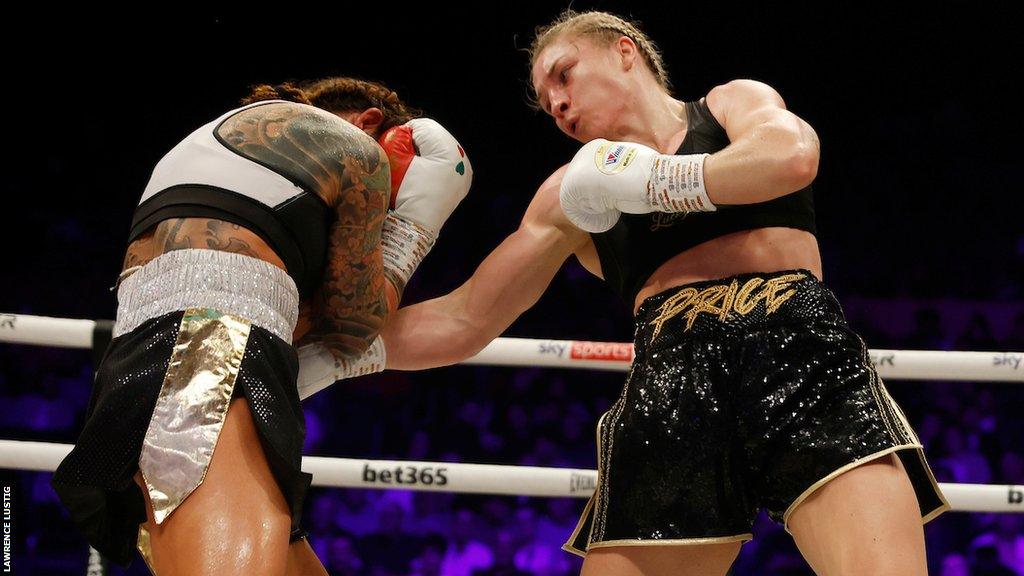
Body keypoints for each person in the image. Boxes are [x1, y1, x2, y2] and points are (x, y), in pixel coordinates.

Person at [303, 10, 949, 576]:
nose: (555, 104)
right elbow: (466, 317)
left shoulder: (726, 108)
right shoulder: (569, 196)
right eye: (544, 100)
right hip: (672, 387)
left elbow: (793, 155)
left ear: (623, 51)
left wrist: (653, 182)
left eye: (563, 75)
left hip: (799, 356)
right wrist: (327, 353)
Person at [51, 77, 472, 575]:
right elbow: (353, 324)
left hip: (156, 354)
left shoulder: (228, 151)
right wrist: (410, 235)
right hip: (215, 349)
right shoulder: (360, 149)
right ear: (370, 121)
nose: (382, 212)